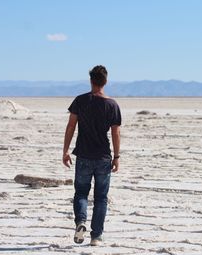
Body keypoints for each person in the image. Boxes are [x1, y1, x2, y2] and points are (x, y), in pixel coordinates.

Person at [62, 65, 121, 246]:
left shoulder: (80, 101)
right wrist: (116, 157)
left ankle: (80, 221)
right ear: (105, 81)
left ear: (91, 80)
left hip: (84, 156)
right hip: (103, 157)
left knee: (81, 193)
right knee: (101, 197)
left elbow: (71, 126)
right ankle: (96, 236)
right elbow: (115, 132)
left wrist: (65, 150)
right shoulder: (112, 104)